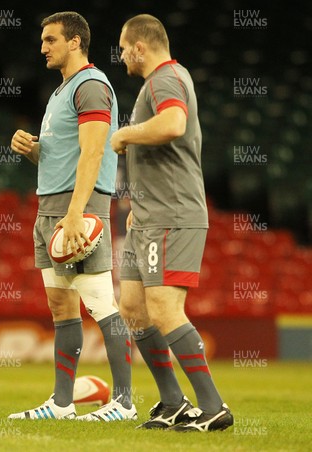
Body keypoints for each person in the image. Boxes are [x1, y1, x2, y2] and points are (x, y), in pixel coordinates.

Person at [8, 11, 134, 421]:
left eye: (50, 39)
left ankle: (124, 402)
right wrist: (33, 152)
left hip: (79, 208)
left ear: (75, 42)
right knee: (61, 308)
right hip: (50, 207)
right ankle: (62, 403)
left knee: (100, 302)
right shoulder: (61, 92)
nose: (42, 47)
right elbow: (65, 157)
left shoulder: (92, 86)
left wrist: (77, 212)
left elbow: (95, 152)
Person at [110, 14, 233, 431]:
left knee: (164, 307)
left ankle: (213, 406)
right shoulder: (155, 83)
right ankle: (173, 400)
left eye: (124, 47)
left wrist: (126, 135)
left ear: (140, 47)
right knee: (132, 307)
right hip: (146, 218)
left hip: (172, 214)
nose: (122, 54)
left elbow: (174, 123)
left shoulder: (166, 77)